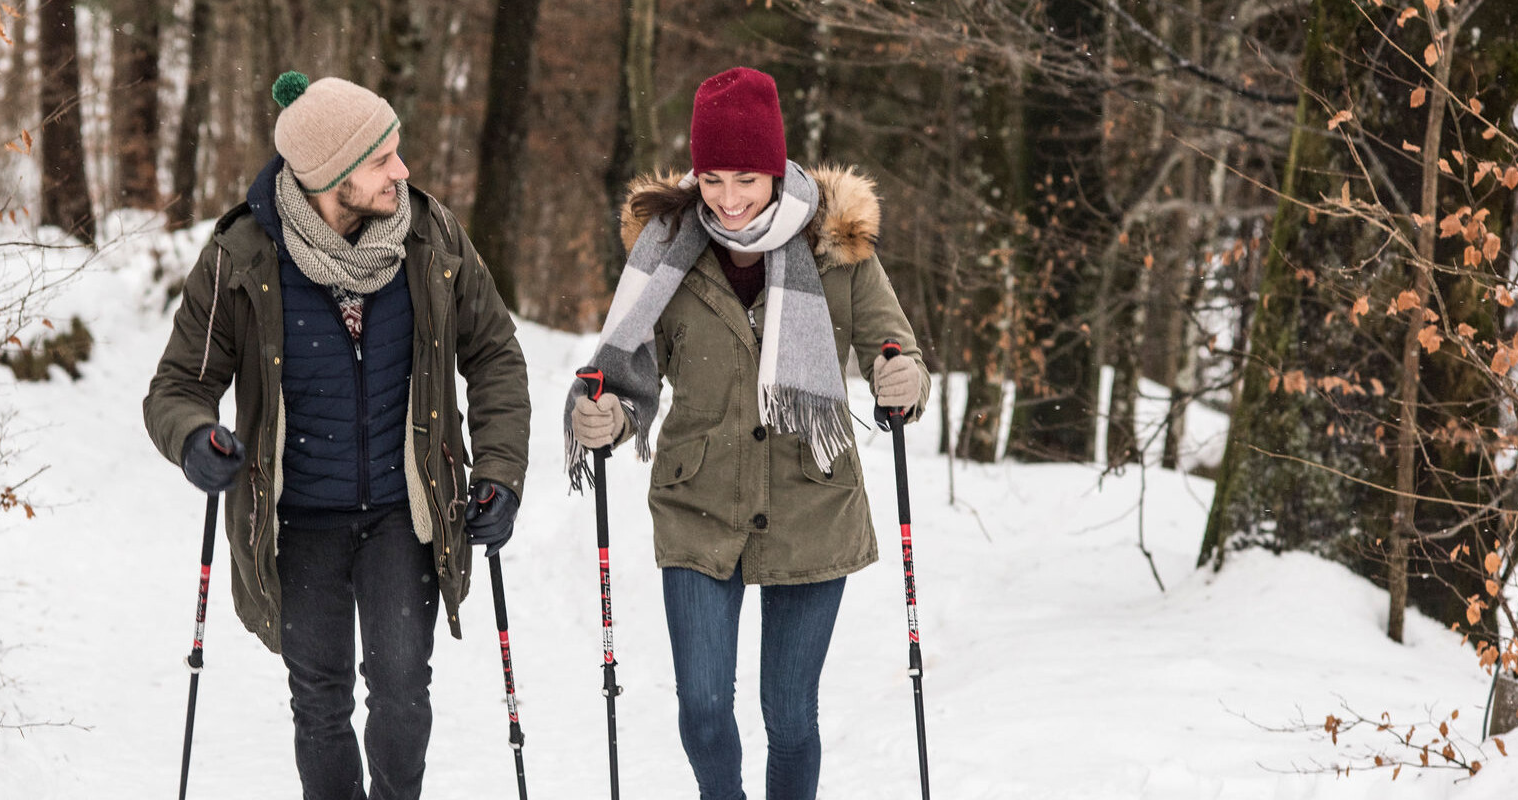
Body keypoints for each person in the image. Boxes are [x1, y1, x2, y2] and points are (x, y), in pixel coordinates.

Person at [143, 69, 530, 800]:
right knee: (320, 701)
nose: (402, 171)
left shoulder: (432, 239)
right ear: (332, 176)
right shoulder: (243, 256)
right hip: (298, 519)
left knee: (401, 692)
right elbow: (179, 386)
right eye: (383, 159)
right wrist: (195, 437)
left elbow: (495, 355)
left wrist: (501, 471)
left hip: (401, 513)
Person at [563, 66, 931, 800]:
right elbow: (624, 372)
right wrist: (602, 415)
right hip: (699, 502)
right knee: (702, 710)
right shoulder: (665, 250)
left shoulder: (839, 246)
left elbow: (898, 350)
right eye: (713, 179)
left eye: (748, 180)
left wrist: (903, 379)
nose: (729, 202)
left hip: (812, 505)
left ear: (777, 169)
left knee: (789, 717)